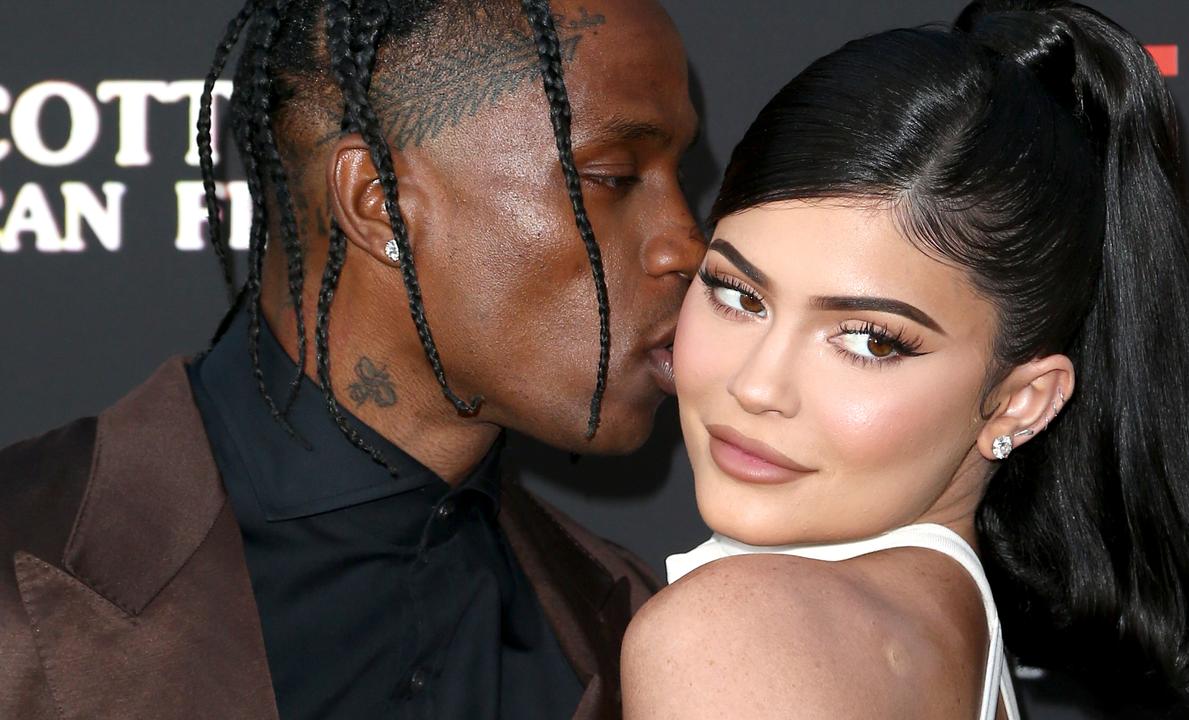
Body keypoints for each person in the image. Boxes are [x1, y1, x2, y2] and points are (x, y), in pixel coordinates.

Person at [0, 0, 703, 718]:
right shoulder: (23, 568)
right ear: (380, 204)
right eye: (615, 175)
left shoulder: (629, 629)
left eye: (680, 176)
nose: (687, 243)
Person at [622, 1, 1189, 718]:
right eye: (738, 294)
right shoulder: (940, 630)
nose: (756, 386)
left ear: (1020, 400)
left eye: (869, 340)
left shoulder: (735, 634)